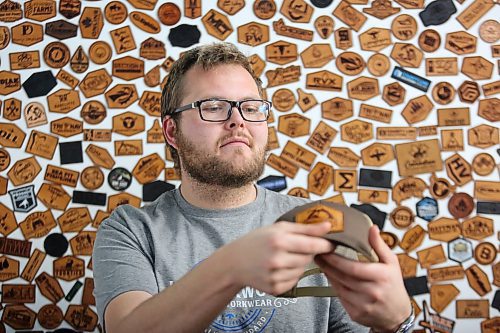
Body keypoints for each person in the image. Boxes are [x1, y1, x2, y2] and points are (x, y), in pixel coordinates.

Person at [93, 42, 413, 333]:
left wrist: (396, 324)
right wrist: (233, 265)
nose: (238, 121)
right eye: (214, 106)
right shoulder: (131, 231)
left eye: (250, 107)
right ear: (171, 132)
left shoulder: (320, 224)